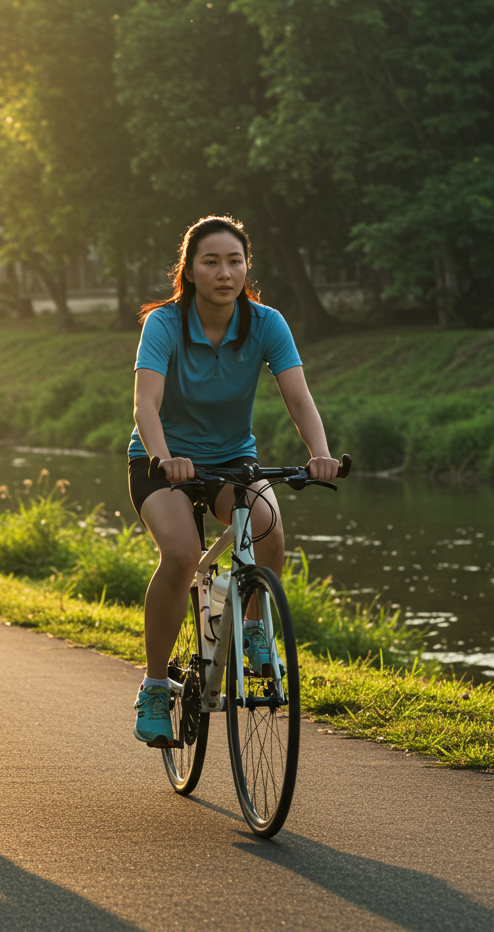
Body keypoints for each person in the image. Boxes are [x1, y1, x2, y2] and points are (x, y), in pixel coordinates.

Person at [127, 215, 336, 746]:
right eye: (211, 261)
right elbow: (145, 404)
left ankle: (252, 628)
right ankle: (154, 686)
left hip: (231, 461)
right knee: (179, 553)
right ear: (190, 271)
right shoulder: (165, 324)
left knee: (267, 525)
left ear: (247, 268)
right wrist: (164, 457)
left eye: (235, 261)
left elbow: (297, 395)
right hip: (163, 462)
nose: (225, 272)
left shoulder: (266, 323)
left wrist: (320, 453)